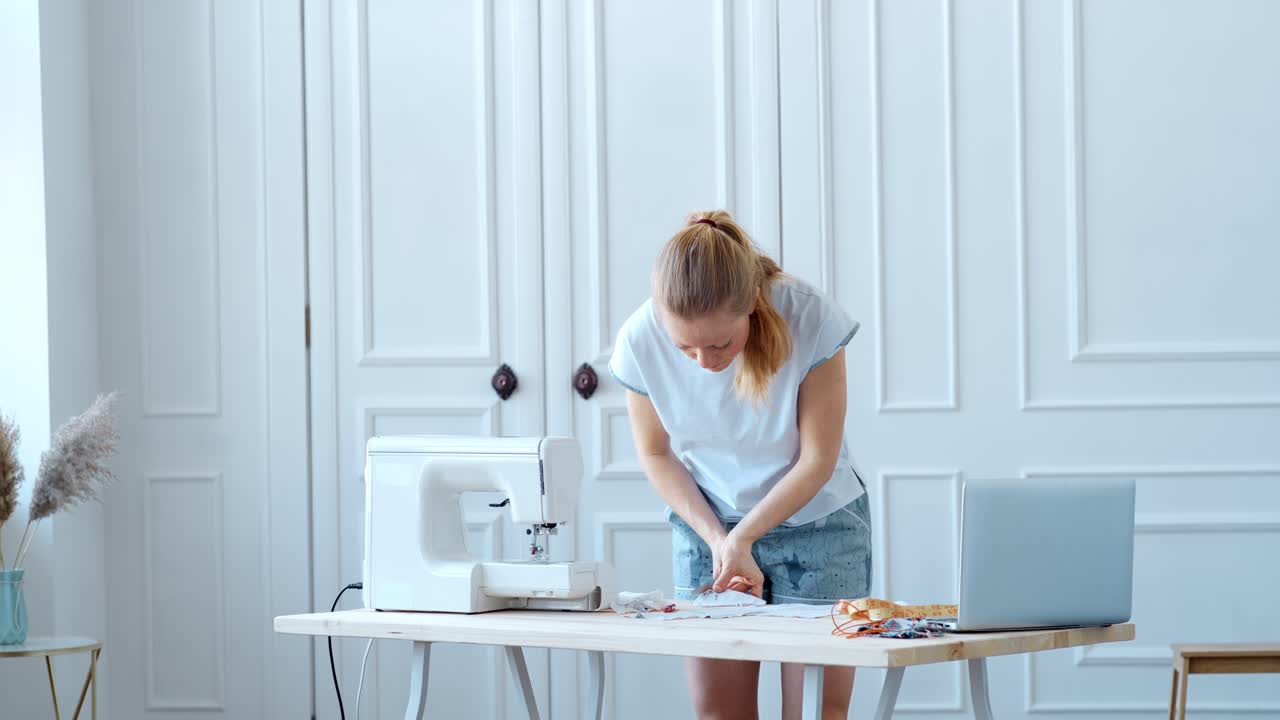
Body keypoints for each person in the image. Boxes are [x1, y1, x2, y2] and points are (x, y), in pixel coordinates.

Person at [609, 209, 872, 719]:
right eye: (684, 347)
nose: (704, 362)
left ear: (752, 303)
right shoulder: (639, 338)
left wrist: (744, 537)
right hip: (707, 524)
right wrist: (721, 542)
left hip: (819, 525)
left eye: (720, 344)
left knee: (819, 712)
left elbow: (817, 458)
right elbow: (657, 453)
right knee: (719, 712)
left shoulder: (811, 317)